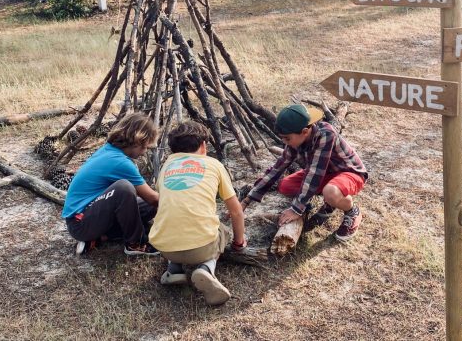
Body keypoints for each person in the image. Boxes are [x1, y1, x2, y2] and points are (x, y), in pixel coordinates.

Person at [149, 121, 247, 306]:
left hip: (164, 246)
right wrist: (239, 243)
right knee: (222, 230)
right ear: (203, 145)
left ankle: (174, 269)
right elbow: (236, 211)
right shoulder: (213, 164)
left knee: (175, 221)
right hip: (202, 246)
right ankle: (206, 269)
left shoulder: (166, 166)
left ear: (173, 150)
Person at [241, 104, 367, 242]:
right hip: (325, 174)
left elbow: (314, 174)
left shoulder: (325, 134)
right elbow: (278, 167)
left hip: (349, 173)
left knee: (330, 192)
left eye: (287, 139)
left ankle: (352, 211)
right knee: (285, 186)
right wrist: (247, 200)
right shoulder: (295, 140)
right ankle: (330, 202)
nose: (284, 143)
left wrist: (296, 209)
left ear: (305, 131)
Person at [62, 113, 160, 257]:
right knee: (124, 188)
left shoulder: (109, 149)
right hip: (80, 224)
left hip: (90, 213)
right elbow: (153, 198)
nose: (145, 152)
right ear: (137, 141)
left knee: (148, 207)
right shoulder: (120, 162)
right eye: (145, 147)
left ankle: (101, 238)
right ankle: (136, 243)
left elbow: (149, 201)